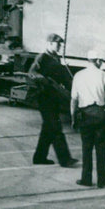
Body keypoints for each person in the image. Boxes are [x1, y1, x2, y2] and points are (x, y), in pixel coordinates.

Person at [28, 34, 78, 168]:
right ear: (49, 44)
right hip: (44, 97)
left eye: (61, 44)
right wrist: (45, 80)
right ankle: (65, 159)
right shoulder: (42, 57)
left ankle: (39, 157)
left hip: (54, 97)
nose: (60, 46)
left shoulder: (56, 58)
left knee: (48, 128)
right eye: (57, 44)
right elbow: (32, 73)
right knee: (55, 127)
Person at [71, 49, 105, 188]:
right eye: (101, 60)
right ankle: (102, 180)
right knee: (101, 149)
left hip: (85, 115)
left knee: (87, 148)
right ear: (97, 61)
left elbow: (74, 100)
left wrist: (73, 118)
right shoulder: (104, 75)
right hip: (101, 114)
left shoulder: (78, 75)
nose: (102, 63)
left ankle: (86, 179)